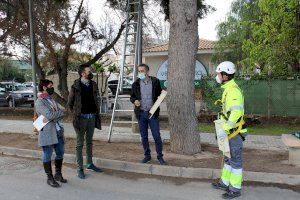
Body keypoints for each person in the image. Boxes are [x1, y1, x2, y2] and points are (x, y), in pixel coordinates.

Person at [212, 61, 247, 199]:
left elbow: (236, 113)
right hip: (229, 132)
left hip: (234, 133)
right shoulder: (228, 88)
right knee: (228, 158)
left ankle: (235, 189)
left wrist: (225, 128)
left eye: (219, 74)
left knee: (235, 161)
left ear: (225, 75)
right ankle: (224, 183)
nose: (218, 76)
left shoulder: (233, 91)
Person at [68, 64, 102, 179]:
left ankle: (89, 164)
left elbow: (96, 99)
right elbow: (70, 104)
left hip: (92, 117)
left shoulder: (93, 84)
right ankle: (79, 168)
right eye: (89, 71)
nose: (91, 72)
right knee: (79, 144)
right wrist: (76, 114)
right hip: (81, 118)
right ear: (83, 73)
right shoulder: (75, 86)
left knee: (89, 142)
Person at [130, 63, 166, 165]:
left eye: (142, 71)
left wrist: (162, 96)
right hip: (141, 114)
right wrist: (135, 101)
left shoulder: (155, 81)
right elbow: (132, 97)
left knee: (157, 136)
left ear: (147, 71)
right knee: (144, 137)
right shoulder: (135, 84)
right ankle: (147, 156)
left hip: (152, 114)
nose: (140, 73)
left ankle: (160, 157)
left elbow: (160, 94)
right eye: (139, 71)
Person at [35, 79, 67, 188]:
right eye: (50, 86)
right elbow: (49, 115)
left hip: (58, 130)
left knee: (60, 152)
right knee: (47, 154)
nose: (52, 87)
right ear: (44, 87)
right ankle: (49, 178)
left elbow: (56, 114)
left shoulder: (51, 99)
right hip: (47, 132)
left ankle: (58, 174)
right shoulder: (39, 101)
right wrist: (59, 113)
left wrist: (56, 114)